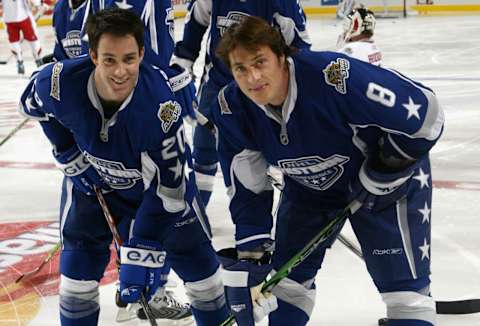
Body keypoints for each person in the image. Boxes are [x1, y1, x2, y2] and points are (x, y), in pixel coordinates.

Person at [211, 16, 443, 325]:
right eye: (240, 68)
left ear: (281, 56)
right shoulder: (232, 107)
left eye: (260, 62)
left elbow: (428, 113)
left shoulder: (335, 77)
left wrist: (384, 170)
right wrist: (253, 255)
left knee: (406, 298)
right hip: (309, 190)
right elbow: (247, 186)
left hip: (387, 189)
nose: (252, 77)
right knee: (285, 287)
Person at [19, 8, 228, 326]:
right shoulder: (58, 82)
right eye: (109, 60)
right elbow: (32, 105)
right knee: (76, 274)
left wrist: (141, 250)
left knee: (203, 275)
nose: (120, 72)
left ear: (142, 54)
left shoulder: (162, 106)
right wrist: (68, 153)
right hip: (94, 187)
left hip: (155, 194)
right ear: (92, 55)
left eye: (129, 59)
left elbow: (169, 190)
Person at [50, 0, 195, 321]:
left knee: (157, 205)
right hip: (102, 113)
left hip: (142, 106)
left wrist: (173, 80)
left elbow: (157, 50)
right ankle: (140, 287)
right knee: (100, 215)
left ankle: (149, 287)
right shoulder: (67, 10)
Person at [172, 0, 312, 208]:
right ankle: (194, 217)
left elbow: (299, 50)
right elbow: (192, 33)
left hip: (261, 89)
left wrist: (297, 96)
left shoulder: (283, 3)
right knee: (204, 151)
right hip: (218, 86)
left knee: (284, 152)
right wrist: (180, 72)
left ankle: (286, 216)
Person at [0, 0, 44, 74]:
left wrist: (37, 4)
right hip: (21, 17)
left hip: (13, 18)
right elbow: (36, 4)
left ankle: (21, 62)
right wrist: (38, 4)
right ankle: (37, 60)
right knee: (31, 40)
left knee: (16, 41)